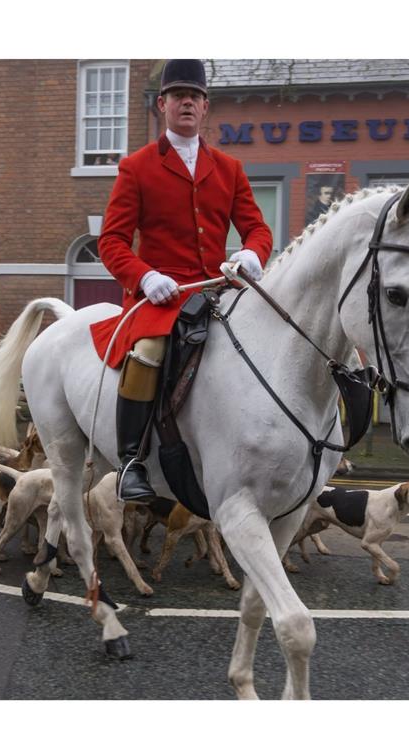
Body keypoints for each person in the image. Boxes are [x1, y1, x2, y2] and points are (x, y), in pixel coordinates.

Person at [89, 59, 273, 502]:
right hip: (160, 298)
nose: (186, 102)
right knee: (149, 352)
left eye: (195, 96)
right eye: (178, 95)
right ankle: (132, 460)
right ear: (163, 105)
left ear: (205, 107)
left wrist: (250, 253)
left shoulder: (229, 168)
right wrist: (145, 276)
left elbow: (258, 229)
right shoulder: (137, 167)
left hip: (216, 292)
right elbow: (111, 241)